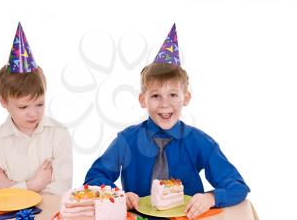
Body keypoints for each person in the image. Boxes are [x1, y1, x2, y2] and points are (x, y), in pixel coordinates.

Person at [84, 24, 250, 219]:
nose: (165, 104)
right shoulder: (126, 140)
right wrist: (119, 195)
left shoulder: (200, 141)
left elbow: (237, 185)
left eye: (173, 94)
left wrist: (212, 197)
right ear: (142, 100)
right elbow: (94, 178)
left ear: (186, 98)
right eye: (155, 96)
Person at [0, 23, 72, 195]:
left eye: (40, 104)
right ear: (3, 101)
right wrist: (33, 184)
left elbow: (60, 191)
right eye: (23, 107)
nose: (33, 113)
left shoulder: (59, 135)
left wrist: (9, 185)